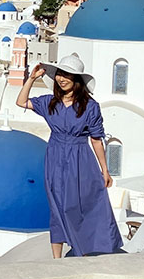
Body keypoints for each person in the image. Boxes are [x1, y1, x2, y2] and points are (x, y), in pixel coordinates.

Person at [15, 55, 123, 258]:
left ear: (77, 80)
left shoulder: (90, 106)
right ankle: (56, 260)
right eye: (59, 74)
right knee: (56, 205)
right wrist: (32, 78)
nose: (61, 79)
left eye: (67, 75)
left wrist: (105, 170)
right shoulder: (49, 102)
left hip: (80, 158)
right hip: (55, 156)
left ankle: (85, 247)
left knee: (79, 204)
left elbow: (96, 140)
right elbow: (21, 102)